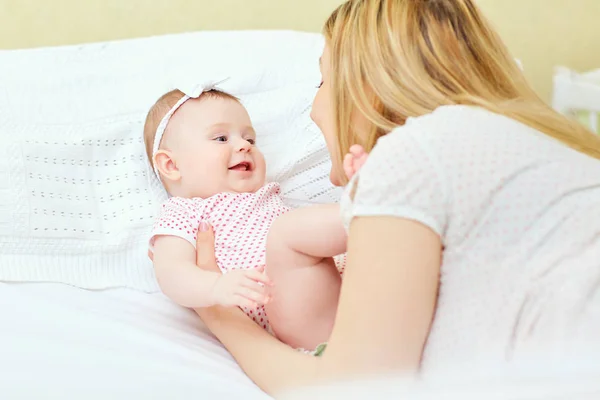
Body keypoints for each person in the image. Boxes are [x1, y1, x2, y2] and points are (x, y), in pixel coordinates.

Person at [192, 0, 600, 396]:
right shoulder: (555, 147)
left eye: (322, 81)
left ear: (366, 88)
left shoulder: (414, 152)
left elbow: (351, 391)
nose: (314, 107)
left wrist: (219, 315)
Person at [144, 86, 367, 352]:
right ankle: (369, 204)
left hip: (342, 288)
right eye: (221, 138)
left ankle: (371, 207)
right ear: (172, 165)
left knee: (360, 252)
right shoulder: (183, 212)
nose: (243, 146)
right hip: (285, 312)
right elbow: (171, 273)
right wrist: (215, 286)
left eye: (250, 140)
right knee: (293, 232)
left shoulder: (267, 196)